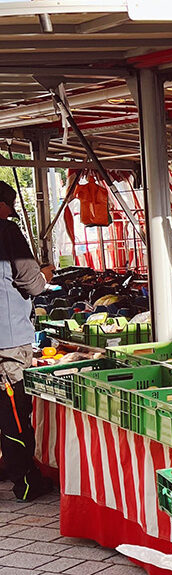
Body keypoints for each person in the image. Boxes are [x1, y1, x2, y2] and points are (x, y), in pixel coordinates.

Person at [0, 181, 55, 502]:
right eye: (8, 206)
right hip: (7, 339)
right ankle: (25, 481)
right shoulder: (7, 232)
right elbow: (32, 284)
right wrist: (45, 274)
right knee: (13, 409)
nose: (11, 212)